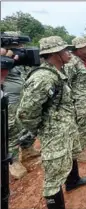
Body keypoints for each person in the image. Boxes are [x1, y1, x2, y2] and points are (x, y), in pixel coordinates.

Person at [16, 36, 86, 209]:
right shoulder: (43, 77)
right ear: (55, 54)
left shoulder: (57, 71)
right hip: (54, 135)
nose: (69, 53)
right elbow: (26, 113)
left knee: (71, 155)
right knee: (53, 178)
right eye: (65, 50)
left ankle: (73, 181)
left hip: (66, 129)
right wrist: (42, 128)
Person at [2, 31, 40, 179]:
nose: (21, 48)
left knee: (28, 123)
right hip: (10, 98)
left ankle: (28, 148)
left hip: (24, 95)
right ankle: (13, 161)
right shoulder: (3, 56)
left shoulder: (21, 56)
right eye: (17, 45)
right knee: (11, 128)